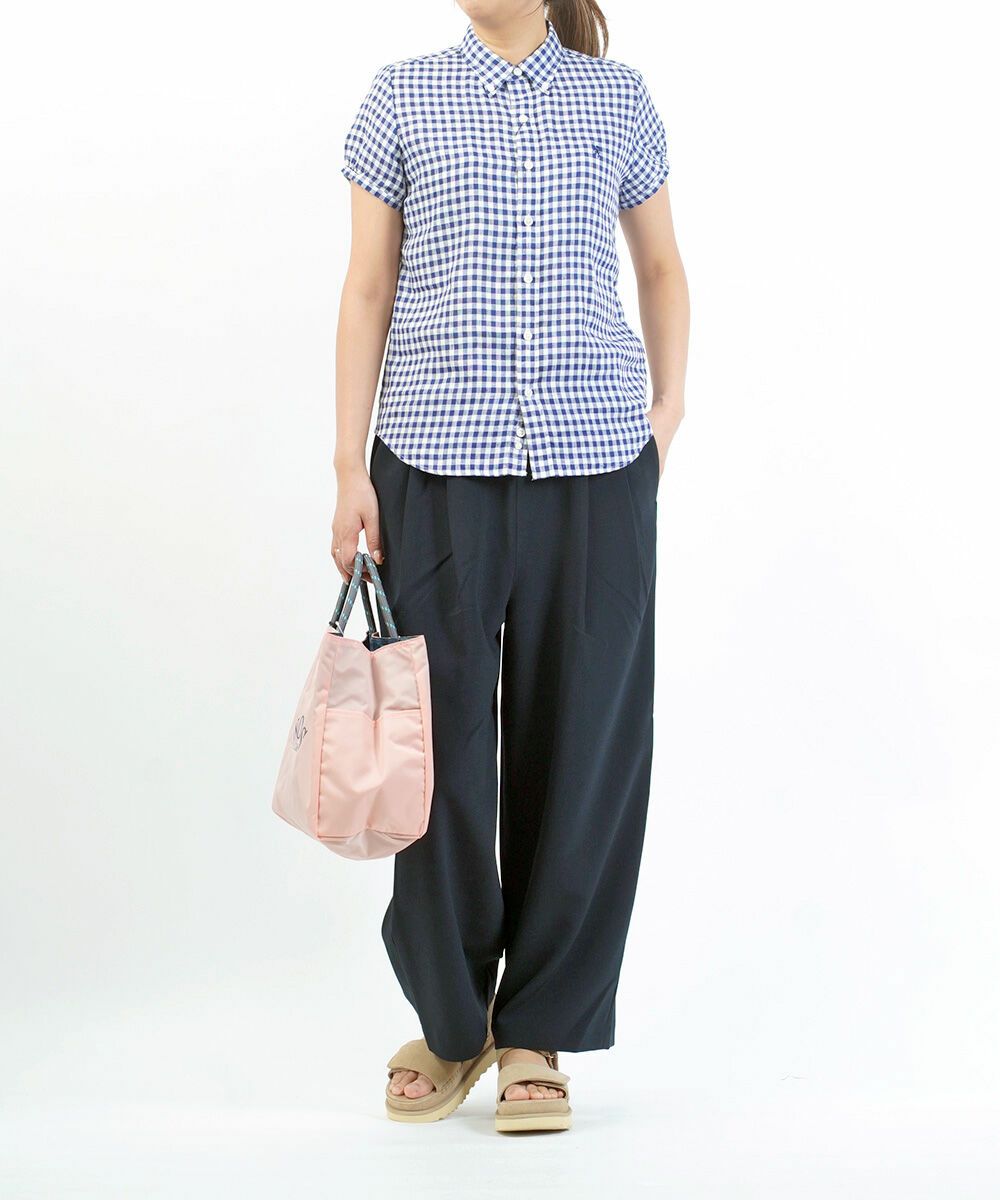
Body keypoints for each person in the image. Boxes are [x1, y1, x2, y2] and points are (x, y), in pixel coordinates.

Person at [331, 0, 689, 1132]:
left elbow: (661, 267)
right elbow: (368, 287)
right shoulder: (403, 94)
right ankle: (451, 1023)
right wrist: (347, 467)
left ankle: (538, 1027)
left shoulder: (615, 97)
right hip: (432, 463)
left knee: (582, 745)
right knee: (432, 746)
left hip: (596, 465)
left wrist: (665, 414)